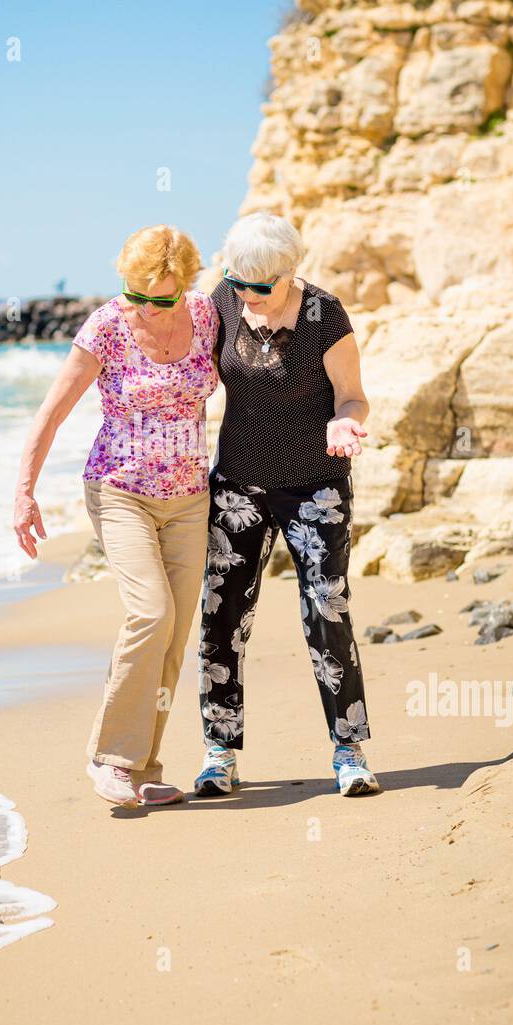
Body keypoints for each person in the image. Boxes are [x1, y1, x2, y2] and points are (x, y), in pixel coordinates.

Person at [13, 225, 219, 809]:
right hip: (119, 490)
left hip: (188, 497)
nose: (149, 309)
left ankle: (147, 766)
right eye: (138, 296)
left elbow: (255, 374)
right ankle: (110, 759)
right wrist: (24, 494)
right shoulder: (106, 325)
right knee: (151, 613)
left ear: (187, 287)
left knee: (176, 633)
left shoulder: (205, 317)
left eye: (163, 298)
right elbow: (51, 414)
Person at [194, 211, 380, 798]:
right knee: (222, 616)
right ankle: (219, 755)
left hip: (313, 486)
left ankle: (348, 752)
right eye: (238, 281)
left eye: (260, 286)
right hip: (238, 485)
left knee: (326, 609)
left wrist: (346, 426)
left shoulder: (326, 317)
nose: (247, 294)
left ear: (290, 271)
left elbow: (352, 399)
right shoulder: (224, 299)